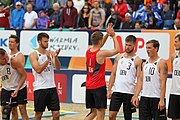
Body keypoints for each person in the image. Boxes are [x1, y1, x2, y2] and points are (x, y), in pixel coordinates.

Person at [85, 23, 119, 120]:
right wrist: (113, 36)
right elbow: (117, 50)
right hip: (98, 86)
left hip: (89, 85)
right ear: (100, 40)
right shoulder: (101, 53)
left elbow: (99, 45)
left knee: (93, 112)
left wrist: (107, 34)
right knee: (101, 112)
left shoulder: (88, 51)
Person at [107, 35, 142, 120]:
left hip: (129, 92)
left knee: (128, 117)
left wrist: (136, 95)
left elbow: (139, 79)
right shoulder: (119, 57)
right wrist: (109, 90)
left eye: (130, 45)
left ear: (134, 45)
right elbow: (113, 74)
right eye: (126, 45)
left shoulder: (137, 60)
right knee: (111, 115)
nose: (127, 47)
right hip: (117, 90)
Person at [131, 40, 168, 120]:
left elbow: (163, 82)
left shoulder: (161, 63)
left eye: (150, 48)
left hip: (156, 97)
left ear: (156, 48)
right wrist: (136, 95)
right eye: (146, 48)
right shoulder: (145, 63)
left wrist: (162, 100)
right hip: (145, 97)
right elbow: (140, 80)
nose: (147, 50)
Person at [29, 32, 61, 120]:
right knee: (39, 114)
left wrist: (56, 57)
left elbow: (58, 68)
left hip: (51, 86)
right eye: (45, 41)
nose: (47, 43)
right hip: (40, 87)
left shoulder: (50, 52)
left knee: (56, 114)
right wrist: (47, 60)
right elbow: (38, 70)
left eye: (48, 41)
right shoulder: (33, 55)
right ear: (39, 42)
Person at [0, 46, 27, 120]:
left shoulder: (13, 61)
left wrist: (17, 89)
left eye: (6, 57)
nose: (6, 59)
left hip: (19, 87)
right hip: (6, 88)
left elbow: (24, 75)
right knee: (6, 111)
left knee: (22, 109)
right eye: (3, 59)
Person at [168, 34, 180, 120]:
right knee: (174, 117)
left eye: (176, 42)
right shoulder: (173, 56)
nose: (174, 44)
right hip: (174, 92)